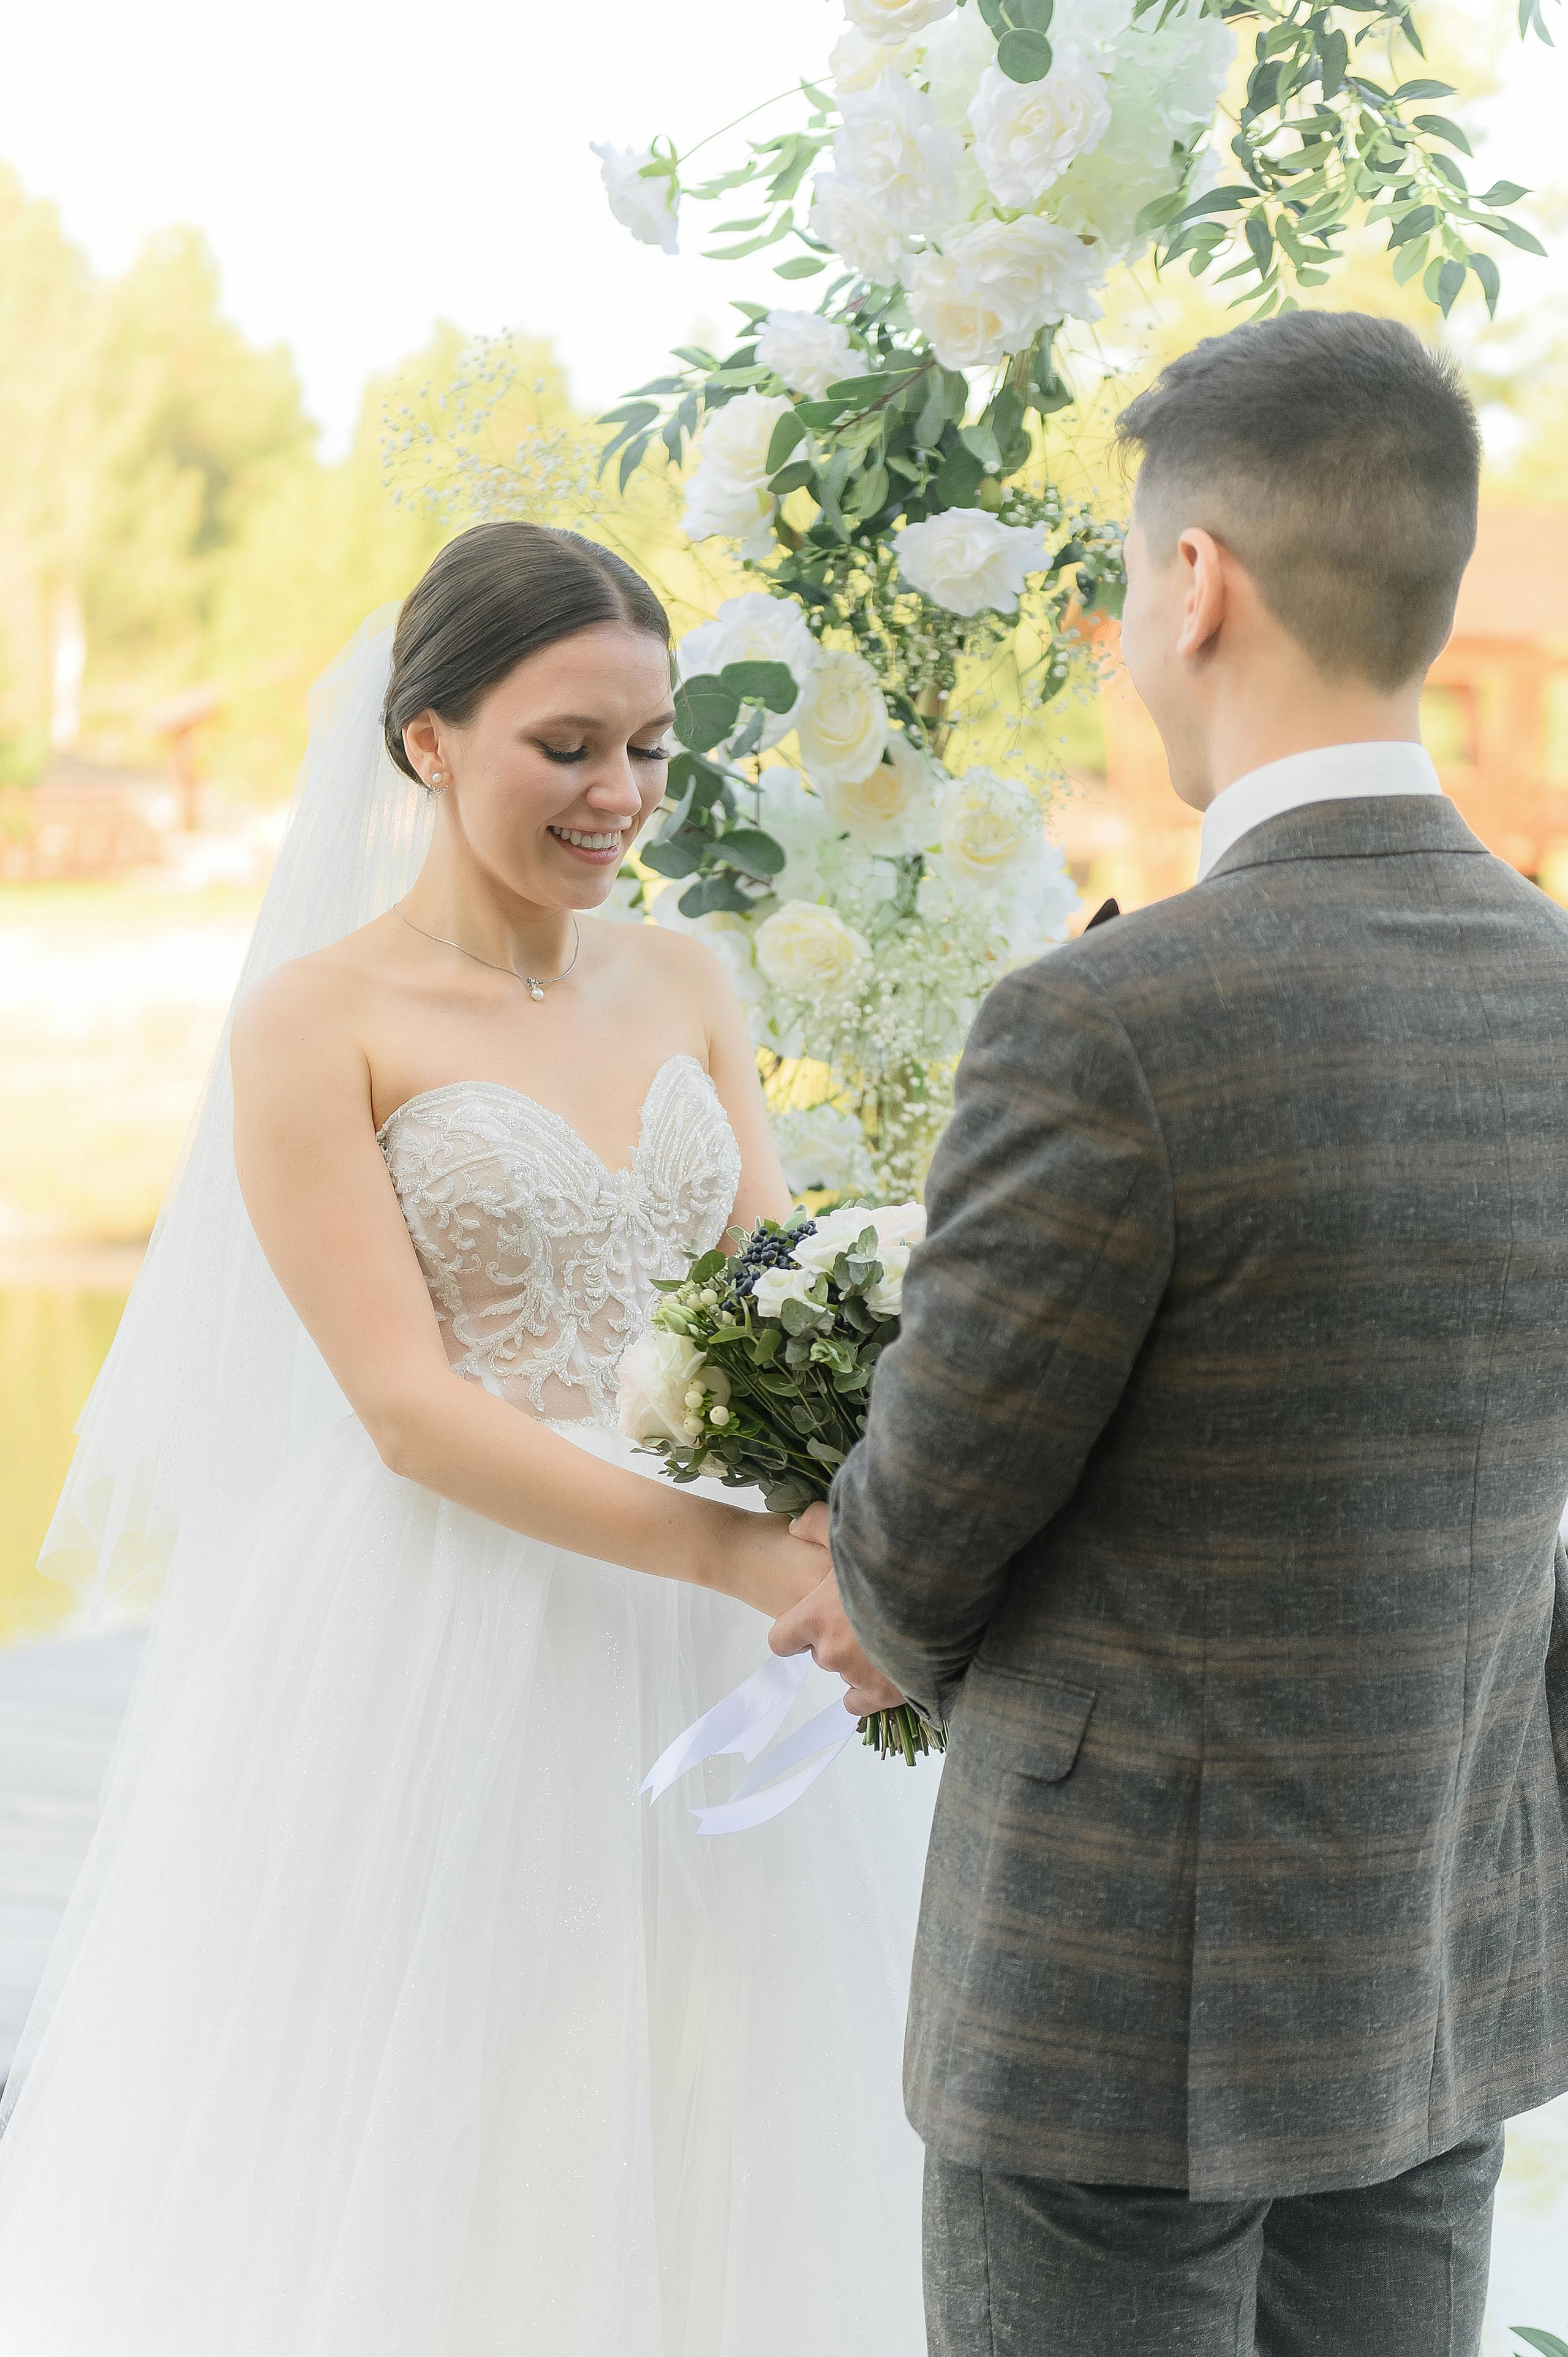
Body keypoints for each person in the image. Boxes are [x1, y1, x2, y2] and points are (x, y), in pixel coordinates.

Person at [0, 523, 930, 2356]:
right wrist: (725, 1553)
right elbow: (409, 1410)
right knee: (460, 2092)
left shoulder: (684, 981)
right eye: (568, 745)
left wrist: (849, 1498)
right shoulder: (314, 1026)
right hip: (450, 1621)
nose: (622, 794)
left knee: (737, 2071)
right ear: (428, 739)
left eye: (651, 746)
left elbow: (768, 1287)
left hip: (718, 1609)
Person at [775, 311, 1568, 2355]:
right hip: (1437, 1947)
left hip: (1116, 2004)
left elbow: (928, 1529)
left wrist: (869, 1588)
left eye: (1134, 581)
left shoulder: (1108, 1023)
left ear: (1198, 582)